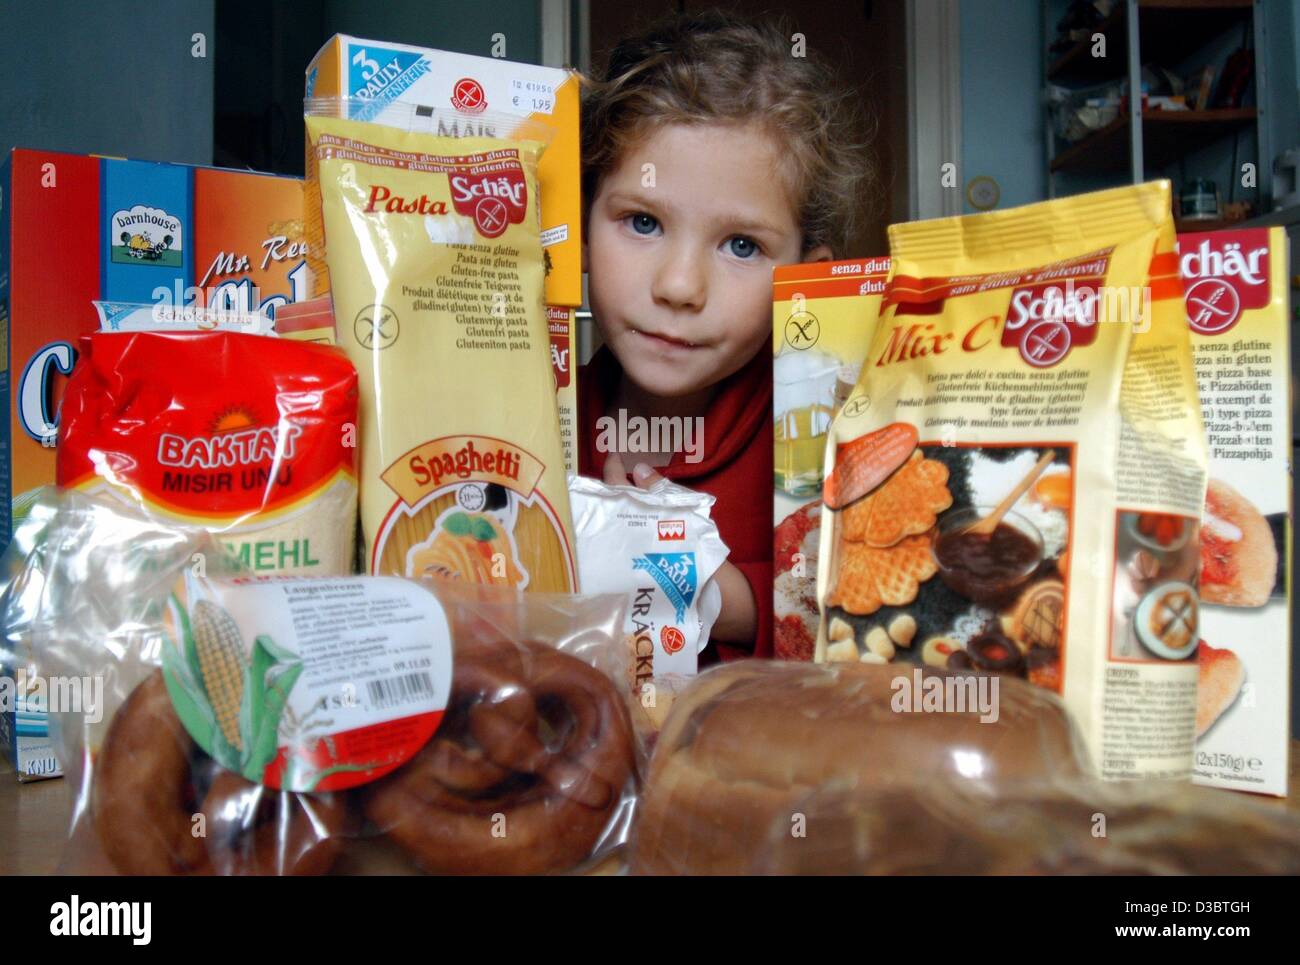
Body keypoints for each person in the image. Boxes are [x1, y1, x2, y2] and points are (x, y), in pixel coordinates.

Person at [579, 10, 873, 659]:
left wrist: (711, 592)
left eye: (741, 244)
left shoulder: (825, 435)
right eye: (643, 222)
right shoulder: (538, 423)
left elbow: (862, 612)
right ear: (578, 229)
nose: (680, 285)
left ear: (805, 282)